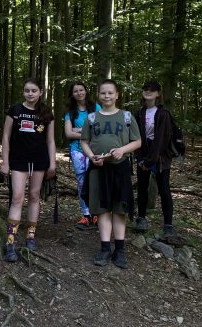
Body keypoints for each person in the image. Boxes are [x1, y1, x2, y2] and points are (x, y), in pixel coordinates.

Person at [80, 79, 141, 269]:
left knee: (119, 208)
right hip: (99, 168)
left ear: (117, 95)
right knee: (102, 208)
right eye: (103, 93)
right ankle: (105, 248)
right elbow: (84, 141)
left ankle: (120, 250)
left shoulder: (126, 116)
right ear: (98, 95)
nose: (106, 96)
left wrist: (122, 150)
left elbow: (137, 141)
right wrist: (91, 157)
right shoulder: (91, 118)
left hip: (120, 166)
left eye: (110, 93)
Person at [1, 78, 56, 262]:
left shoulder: (46, 113)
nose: (30, 94)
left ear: (40, 92)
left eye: (33, 90)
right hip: (18, 159)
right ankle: (10, 242)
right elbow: (6, 136)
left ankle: (30, 236)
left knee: (34, 196)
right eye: (27, 90)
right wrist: (5, 162)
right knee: (17, 197)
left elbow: (50, 140)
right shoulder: (15, 110)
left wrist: (53, 163)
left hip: (39, 160)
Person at [134, 80, 176, 236]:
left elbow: (161, 140)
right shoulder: (139, 113)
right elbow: (136, 137)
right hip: (143, 154)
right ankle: (141, 218)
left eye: (152, 90)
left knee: (164, 189)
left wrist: (150, 161)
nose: (148, 91)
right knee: (142, 188)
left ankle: (168, 225)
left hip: (161, 157)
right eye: (145, 89)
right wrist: (140, 159)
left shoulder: (163, 114)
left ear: (158, 94)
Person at [64, 81, 101, 230]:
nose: (79, 93)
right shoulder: (70, 112)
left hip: (94, 150)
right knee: (81, 182)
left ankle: (96, 213)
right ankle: (86, 215)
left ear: (86, 91)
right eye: (75, 91)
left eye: (81, 90)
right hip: (77, 151)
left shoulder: (96, 108)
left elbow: (99, 130)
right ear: (72, 94)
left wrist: (78, 130)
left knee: (94, 180)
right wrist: (86, 131)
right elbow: (68, 134)